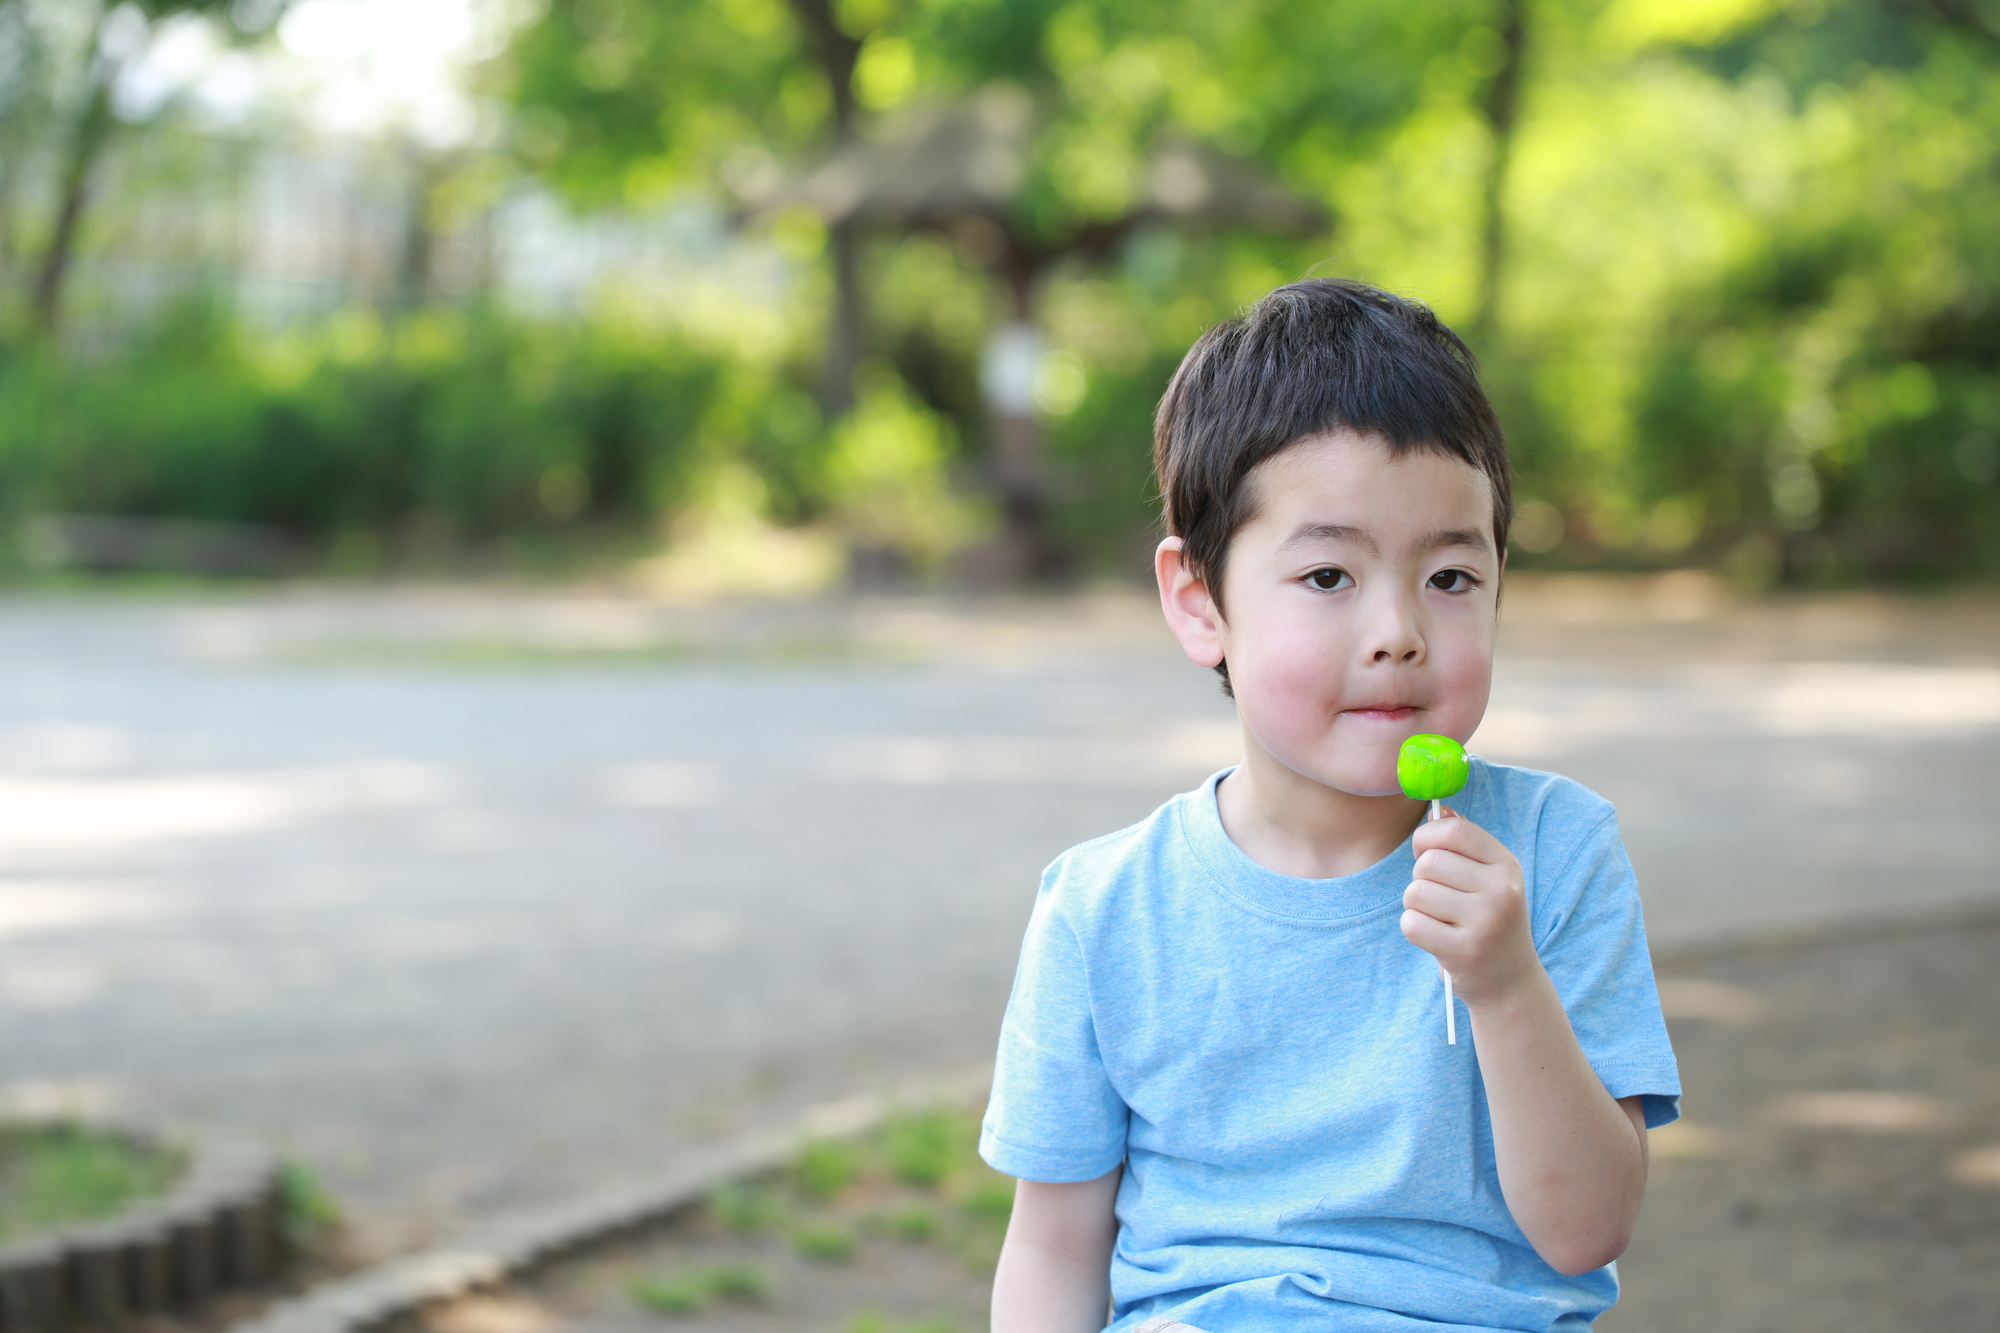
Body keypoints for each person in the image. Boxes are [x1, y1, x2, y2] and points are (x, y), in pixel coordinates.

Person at [979, 278, 1681, 1332]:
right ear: (1198, 599)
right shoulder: (1102, 907)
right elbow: (1049, 1247)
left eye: (1449, 576)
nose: (1397, 630)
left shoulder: (1550, 849)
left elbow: (1585, 1230)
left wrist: (1502, 984)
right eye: (1325, 576)